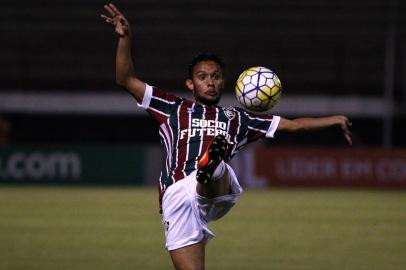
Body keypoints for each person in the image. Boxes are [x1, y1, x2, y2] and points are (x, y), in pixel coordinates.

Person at [101, 4, 352, 269]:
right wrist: (125, 37)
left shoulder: (239, 118)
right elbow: (126, 79)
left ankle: (211, 166)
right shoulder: (173, 108)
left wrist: (333, 119)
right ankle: (210, 168)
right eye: (202, 77)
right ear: (191, 84)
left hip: (213, 189)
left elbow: (294, 125)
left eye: (215, 77)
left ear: (223, 82)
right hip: (176, 197)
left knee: (216, 169)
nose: (210, 82)